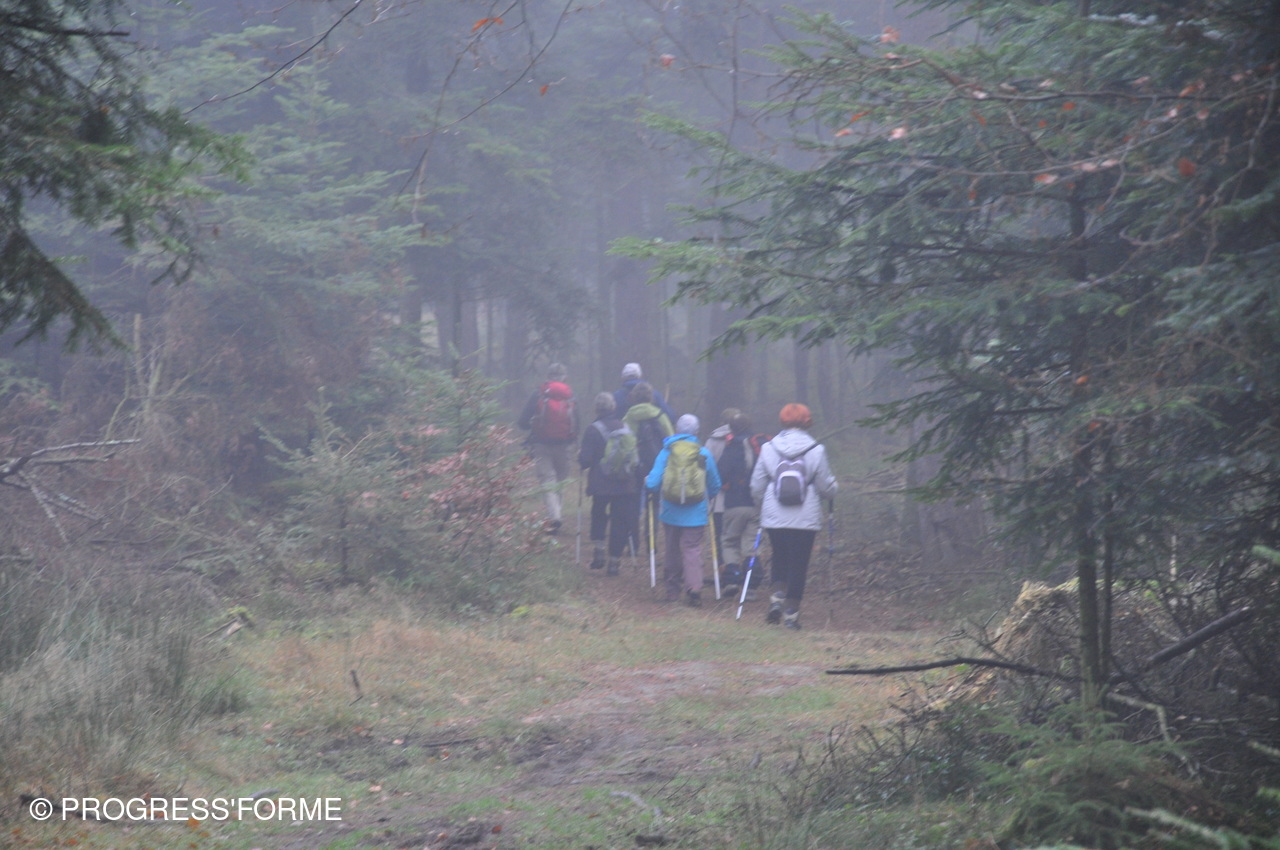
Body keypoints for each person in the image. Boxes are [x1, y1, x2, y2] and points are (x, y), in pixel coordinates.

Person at [750, 403, 837, 630]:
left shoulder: (769, 448)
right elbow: (826, 488)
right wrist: (834, 488)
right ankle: (791, 614)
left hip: (774, 515)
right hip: (805, 518)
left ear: (783, 419)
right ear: (807, 421)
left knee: (779, 556)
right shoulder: (816, 449)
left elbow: (756, 485)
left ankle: (776, 598)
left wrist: (762, 504)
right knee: (799, 564)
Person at [645, 414, 721, 607]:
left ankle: (672, 591)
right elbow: (715, 484)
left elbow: (653, 483)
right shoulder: (703, 453)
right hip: (696, 513)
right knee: (692, 549)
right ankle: (694, 588)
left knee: (672, 549)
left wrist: (648, 483)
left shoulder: (667, 452)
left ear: (677, 430)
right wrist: (710, 496)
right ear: (697, 432)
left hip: (670, 512)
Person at [578, 392, 641, 575]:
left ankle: (599, 550)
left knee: (598, 514)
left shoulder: (593, 429)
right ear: (613, 407)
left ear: (596, 409)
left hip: (601, 484)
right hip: (624, 484)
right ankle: (614, 562)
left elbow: (585, 460)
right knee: (620, 522)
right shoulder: (625, 427)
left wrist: (580, 458)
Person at [517, 362, 578, 534]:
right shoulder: (571, 395)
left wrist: (532, 426)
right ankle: (555, 515)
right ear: (565, 377)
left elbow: (522, 422)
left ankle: (554, 518)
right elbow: (577, 421)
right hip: (565, 445)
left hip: (541, 444)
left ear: (548, 376)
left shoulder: (538, 393)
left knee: (547, 481)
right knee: (559, 482)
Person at [716, 412, 761, 598]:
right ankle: (751, 586)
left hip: (733, 503)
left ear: (731, 428)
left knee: (729, 542)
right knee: (751, 545)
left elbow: (720, 475)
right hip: (755, 504)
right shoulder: (760, 446)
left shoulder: (731, 447)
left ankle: (732, 580)